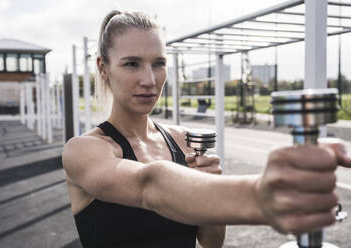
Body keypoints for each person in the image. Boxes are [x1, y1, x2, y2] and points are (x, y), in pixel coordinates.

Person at [62, 9, 351, 248]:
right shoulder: (85, 150)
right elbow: (150, 186)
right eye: (132, 64)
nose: (150, 79)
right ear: (103, 67)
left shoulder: (183, 140)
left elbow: (211, 242)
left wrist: (206, 187)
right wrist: (260, 194)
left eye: (159, 63)